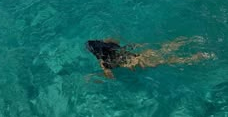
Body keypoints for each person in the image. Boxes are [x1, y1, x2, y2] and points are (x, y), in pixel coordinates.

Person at [86, 37, 214, 79]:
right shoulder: (111, 45)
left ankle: (196, 57)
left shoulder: (103, 61)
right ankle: (187, 40)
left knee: (168, 61)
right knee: (165, 49)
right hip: (139, 55)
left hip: (138, 62)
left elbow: (110, 76)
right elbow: (115, 39)